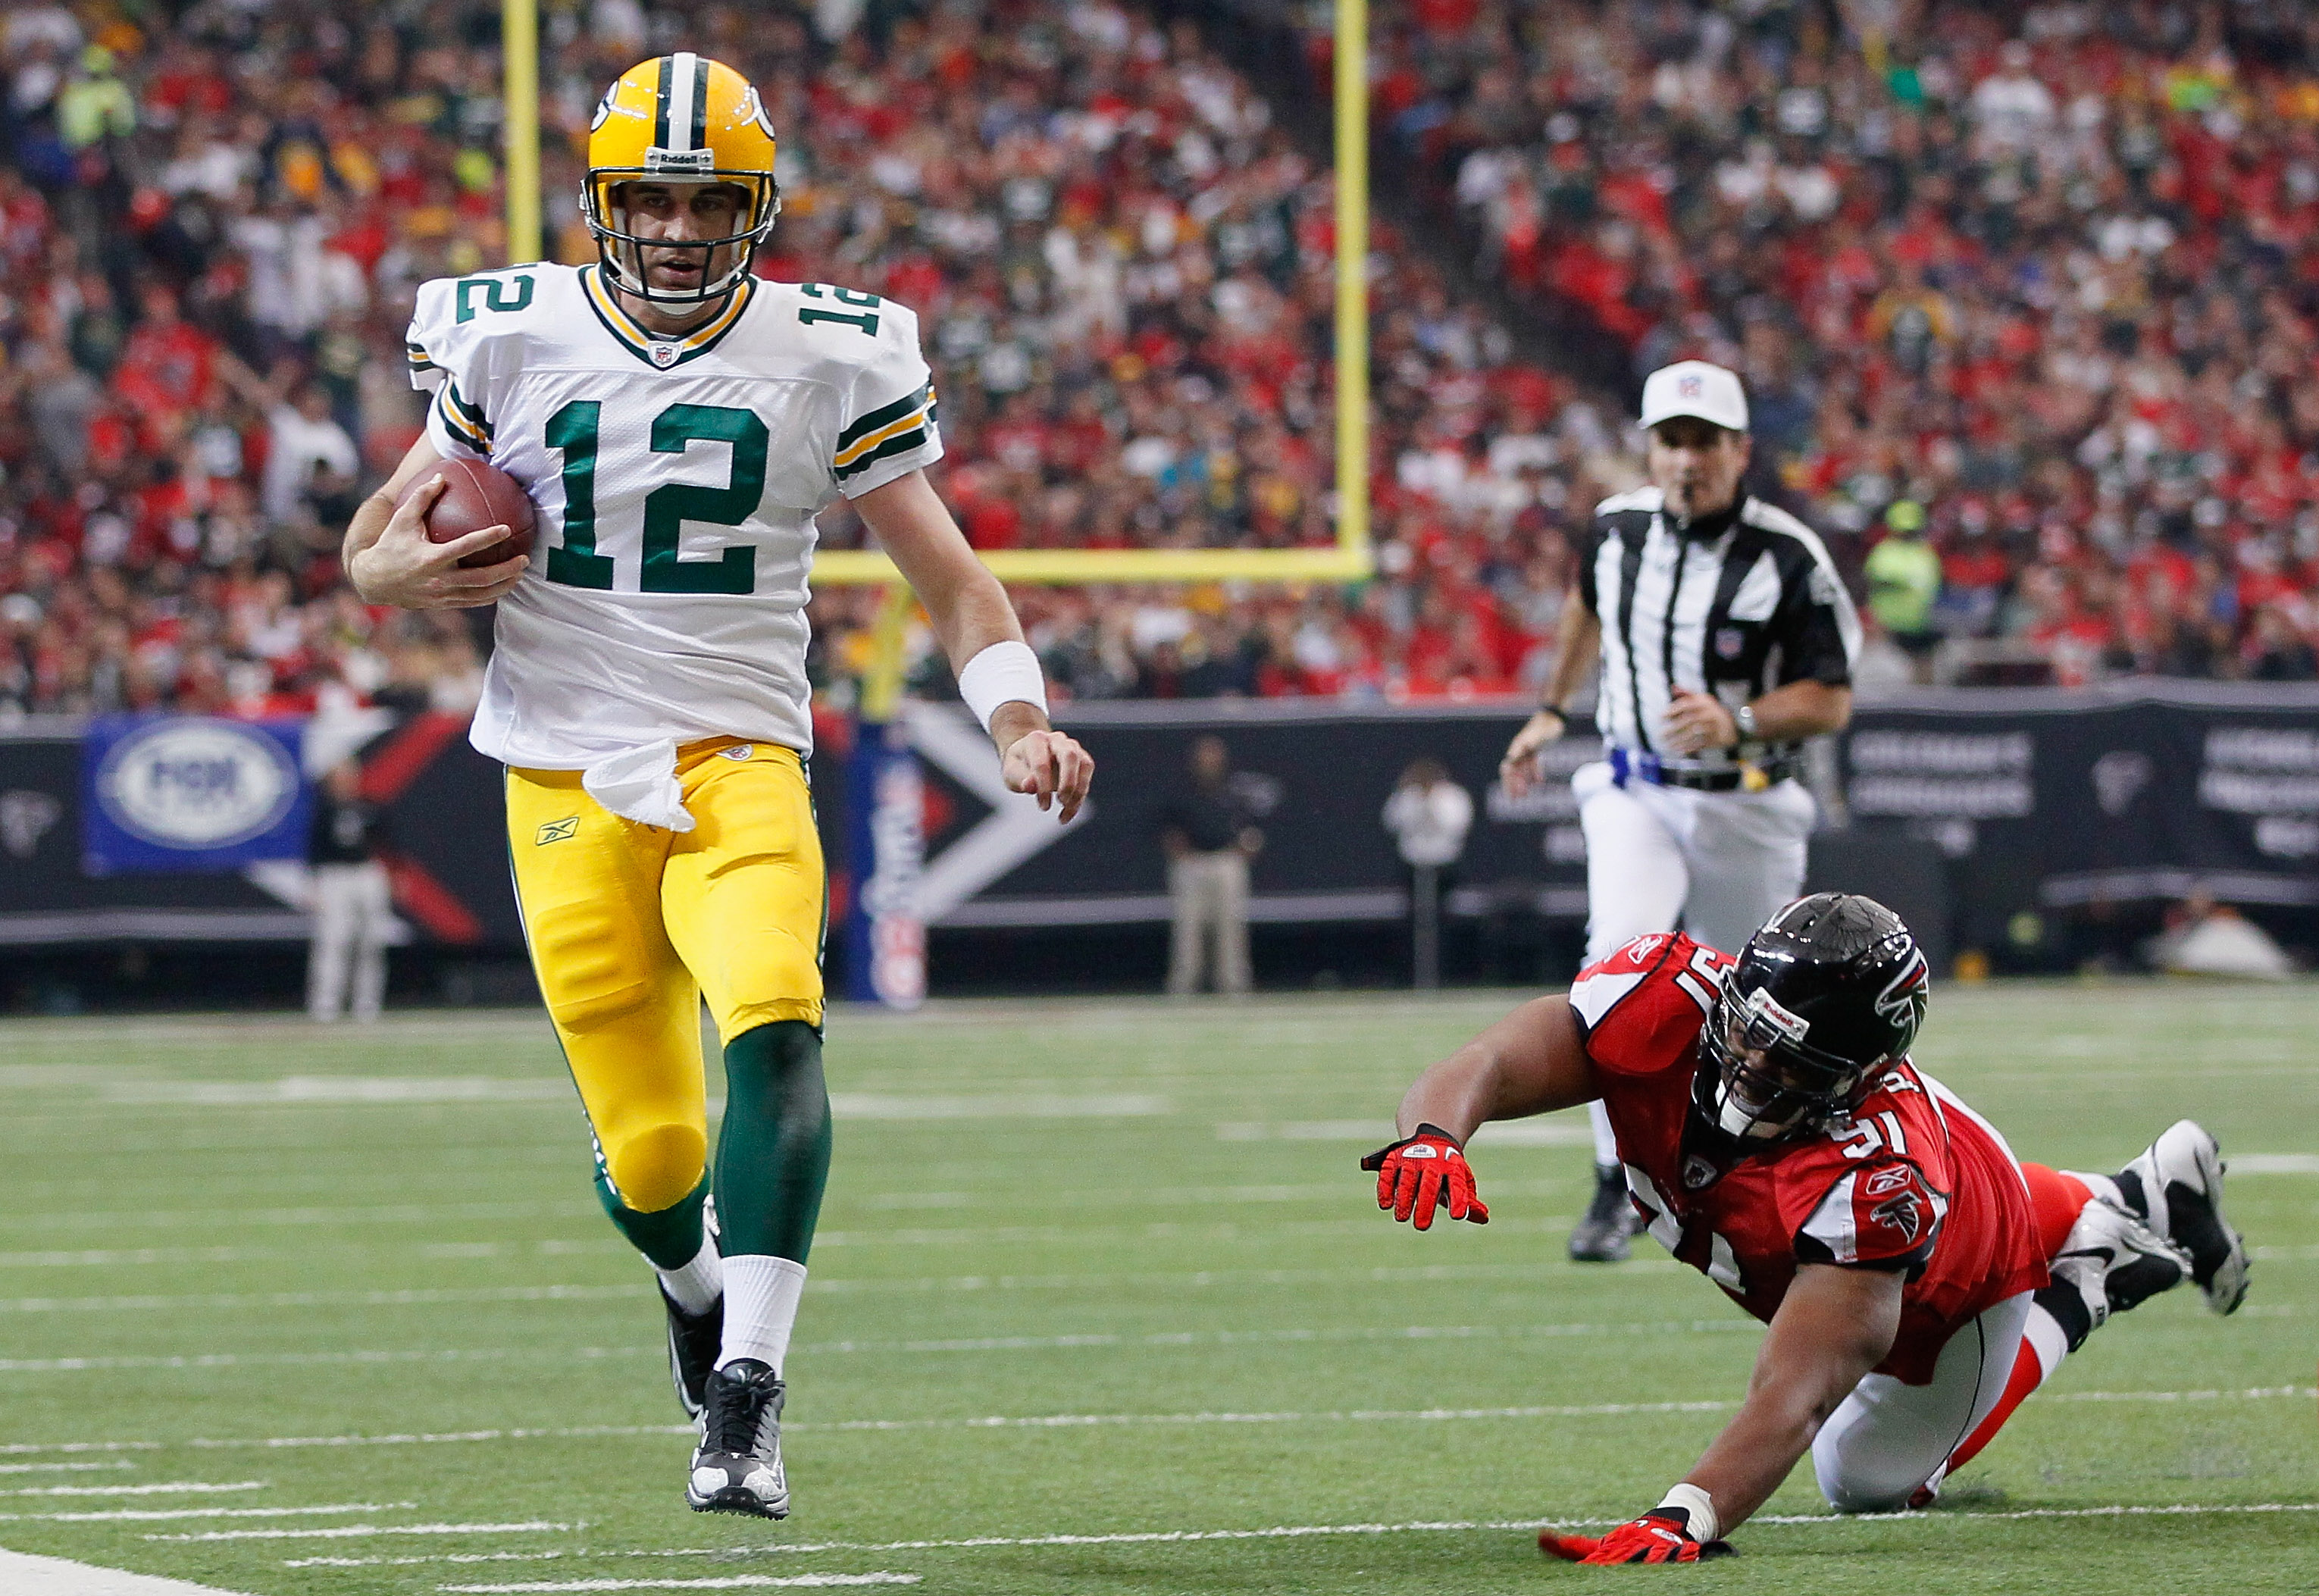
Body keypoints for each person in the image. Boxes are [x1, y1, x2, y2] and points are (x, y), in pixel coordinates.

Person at [341, 52, 1094, 1520]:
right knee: (652, 1158)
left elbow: (952, 579)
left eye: (707, 201)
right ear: (601, 202)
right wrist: (388, 574)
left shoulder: (835, 349)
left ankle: (748, 1393)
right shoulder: (502, 333)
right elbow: (378, 533)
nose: (678, 229)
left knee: (775, 1022)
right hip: (558, 769)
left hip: (741, 751)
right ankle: (691, 1287)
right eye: (650, 199)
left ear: (752, 208)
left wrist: (1016, 718)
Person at [1362, 893, 2249, 1562]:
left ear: (1855, 1077)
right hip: (1949, 1165)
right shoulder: (1667, 994)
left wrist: (1690, 1512)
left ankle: (2093, 1268)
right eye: (1747, 1034)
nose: (1748, 1068)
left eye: (1790, 1064)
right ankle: (2125, 1192)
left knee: (1862, 1477)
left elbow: (1798, 1390)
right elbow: (1486, 1061)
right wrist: (1438, 1136)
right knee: (1928, 1201)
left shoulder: (1875, 1177)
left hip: (1961, 1279)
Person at [1498, 360, 1859, 1263]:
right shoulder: (1617, 530)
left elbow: (1831, 699)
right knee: (1616, 965)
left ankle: (1752, 1179)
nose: (1685, 460)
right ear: (1649, 450)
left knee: (1757, 1004)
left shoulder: (1787, 557)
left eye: (1704, 443)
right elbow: (1585, 605)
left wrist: (1736, 719)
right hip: (1636, 790)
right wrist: (1552, 705)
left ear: (1740, 452)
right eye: (1671, 442)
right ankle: (1615, 1182)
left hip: (1746, 800)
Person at [1159, 734, 1260, 995]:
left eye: (1214, 755)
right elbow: (1165, 828)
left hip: (1226, 861)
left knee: (1230, 927)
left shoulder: (1235, 791)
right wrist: (1177, 850)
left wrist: (1245, 848)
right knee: (1188, 930)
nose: (1209, 761)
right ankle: (1185, 985)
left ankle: (1233, 985)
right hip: (1192, 862)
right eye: (1205, 756)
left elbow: (1252, 831)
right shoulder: (1182, 792)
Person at [304, 757, 391, 1023]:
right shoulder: (324, 810)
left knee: (372, 941)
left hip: (365, 873)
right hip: (334, 876)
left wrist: (393, 875)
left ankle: (367, 1004)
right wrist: (313, 885)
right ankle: (326, 1003)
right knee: (334, 940)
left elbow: (387, 844)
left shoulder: (368, 807)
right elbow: (314, 851)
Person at [1382, 756, 1472, 988]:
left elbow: (1455, 825)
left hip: (1443, 864)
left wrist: (1431, 802)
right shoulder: (1406, 796)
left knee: (1443, 920)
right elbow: (1392, 823)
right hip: (1414, 865)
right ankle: (1409, 977)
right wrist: (1415, 799)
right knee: (1412, 922)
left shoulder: (1452, 796)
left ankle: (1446, 977)